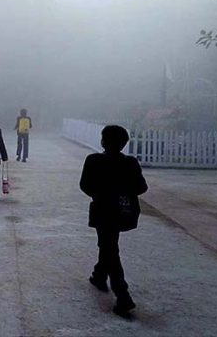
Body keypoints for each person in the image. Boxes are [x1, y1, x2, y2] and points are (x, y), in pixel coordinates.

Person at [79, 125, 148, 317]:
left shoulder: (93, 160)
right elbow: (141, 187)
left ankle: (123, 294)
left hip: (102, 210)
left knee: (109, 247)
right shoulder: (130, 163)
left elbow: (85, 185)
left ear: (103, 141)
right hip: (123, 211)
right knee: (109, 244)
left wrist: (101, 194)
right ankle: (99, 275)